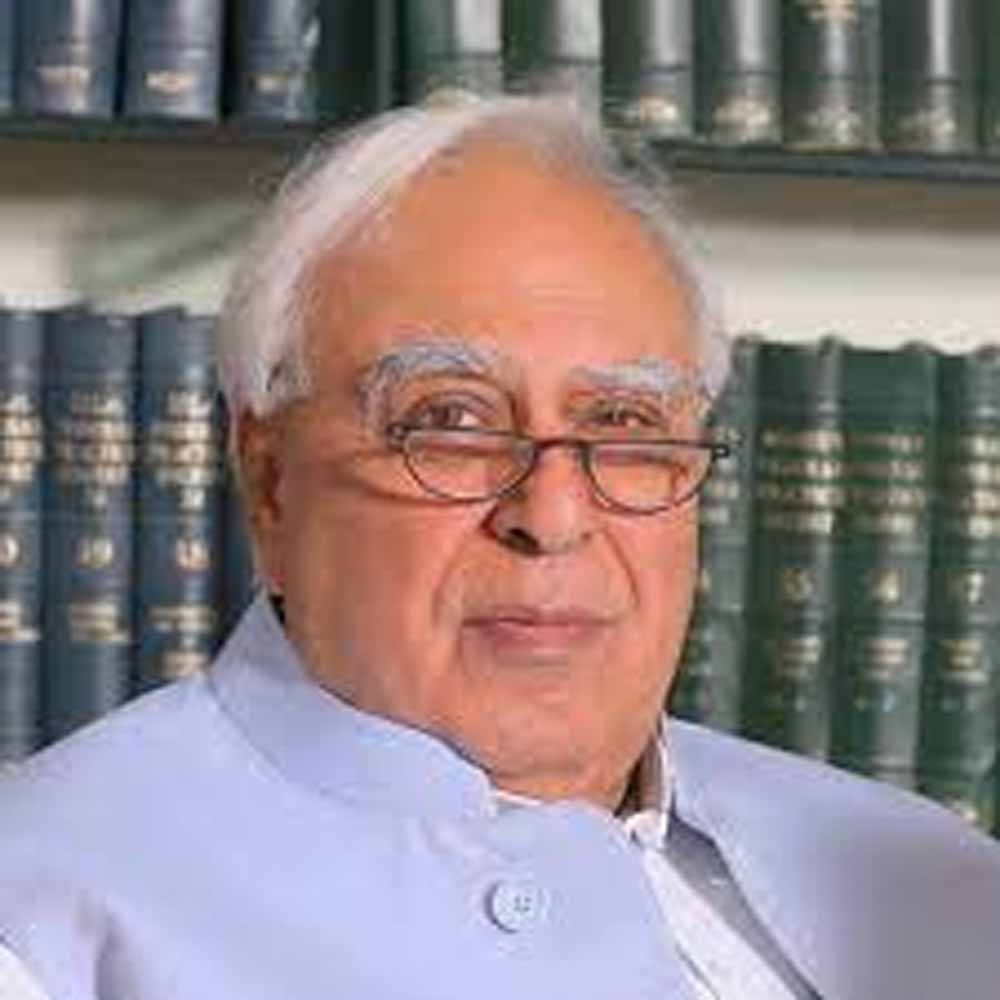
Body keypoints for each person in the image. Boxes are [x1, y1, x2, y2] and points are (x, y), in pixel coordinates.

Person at [0, 96, 998, 1000]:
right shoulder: (44, 910)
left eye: (625, 421)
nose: (551, 516)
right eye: (451, 419)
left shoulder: (938, 884)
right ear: (269, 479)